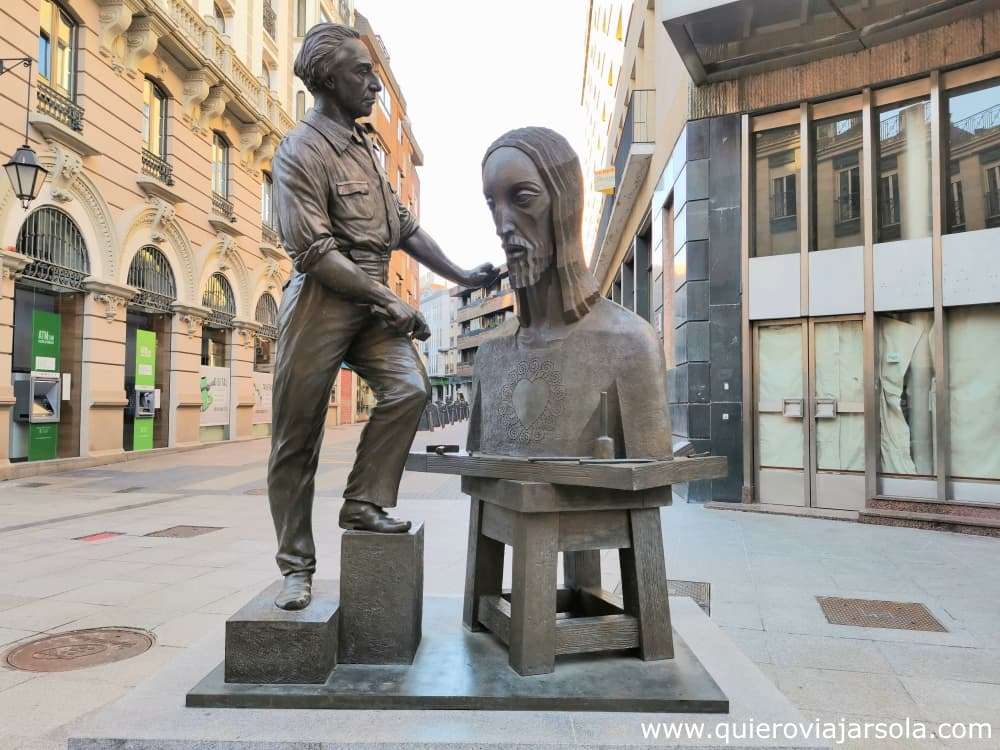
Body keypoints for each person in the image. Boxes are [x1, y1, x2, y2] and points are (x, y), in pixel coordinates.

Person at [268, 23, 498, 610]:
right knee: (297, 439)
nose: (373, 83)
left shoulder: (367, 146)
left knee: (410, 389)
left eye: (373, 71)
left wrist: (461, 276)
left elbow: (405, 228)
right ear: (327, 80)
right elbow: (312, 250)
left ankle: (363, 502)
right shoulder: (301, 150)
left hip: (370, 295)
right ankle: (296, 565)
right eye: (361, 73)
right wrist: (392, 300)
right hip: (321, 299)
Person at [467, 127, 672, 459]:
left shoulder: (631, 342)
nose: (503, 226)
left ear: (566, 205)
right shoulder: (490, 353)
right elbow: (478, 480)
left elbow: (649, 489)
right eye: (493, 204)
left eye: (522, 199)